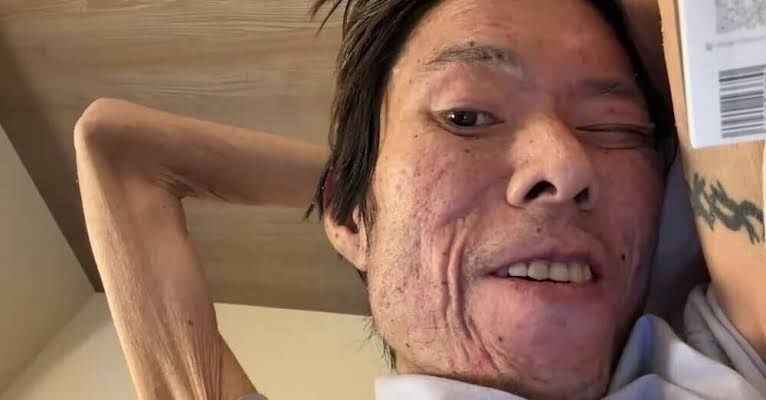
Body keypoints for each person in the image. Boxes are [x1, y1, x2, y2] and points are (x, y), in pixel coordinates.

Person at [72, 0, 766, 399]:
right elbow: (118, 149)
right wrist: (370, 201)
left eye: (612, 128)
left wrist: (380, 203)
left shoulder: (721, 358)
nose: (566, 165)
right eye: (466, 116)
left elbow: (124, 153)